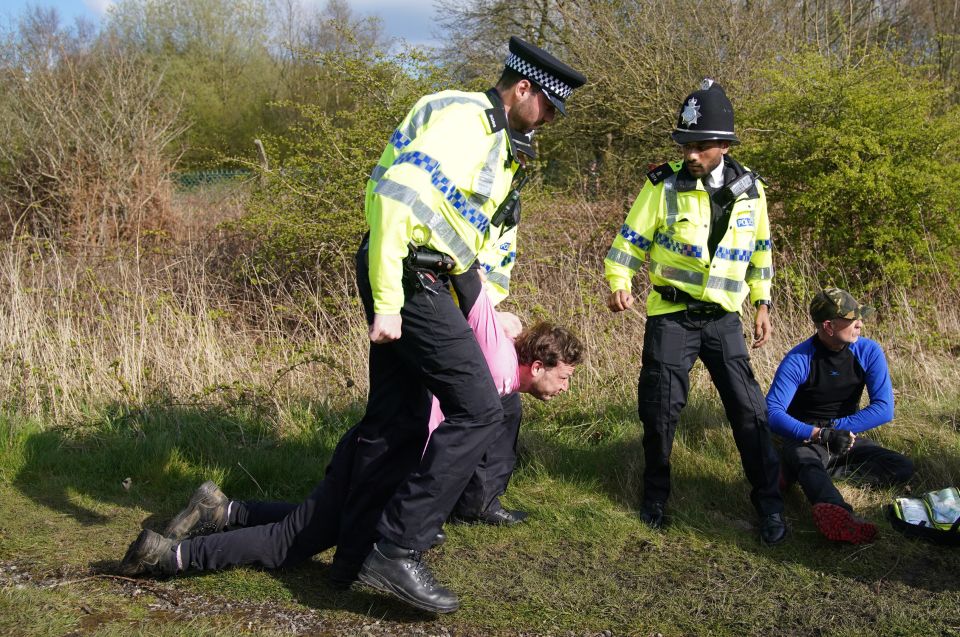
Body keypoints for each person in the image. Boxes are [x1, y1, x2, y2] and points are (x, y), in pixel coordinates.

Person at [118, 280, 584, 594]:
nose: (564, 391)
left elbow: (480, 304)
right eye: (562, 379)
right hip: (384, 449)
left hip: (383, 441)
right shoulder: (500, 372)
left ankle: (221, 510)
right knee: (290, 541)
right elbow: (476, 289)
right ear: (537, 366)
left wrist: (511, 321)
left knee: (320, 524)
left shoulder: (496, 354)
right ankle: (169, 556)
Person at [350, 35, 584, 613]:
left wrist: (485, 307)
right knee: (480, 407)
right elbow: (393, 201)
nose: (551, 120)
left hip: (432, 278)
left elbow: (480, 239)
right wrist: (386, 300)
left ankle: (352, 540)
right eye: (549, 107)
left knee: (395, 418)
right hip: (406, 271)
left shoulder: (502, 142)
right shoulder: (465, 121)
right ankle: (397, 549)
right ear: (522, 89)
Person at [603, 79, 786, 545]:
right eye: (684, 144)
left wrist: (762, 300)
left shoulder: (751, 191)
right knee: (660, 410)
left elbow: (761, 249)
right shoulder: (663, 186)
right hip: (671, 315)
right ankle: (655, 499)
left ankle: (770, 504)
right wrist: (619, 281)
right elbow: (630, 240)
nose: (689, 154)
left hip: (724, 320)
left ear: (722, 146)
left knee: (749, 411)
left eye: (699, 146)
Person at [766, 287, 913, 544]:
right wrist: (820, 434)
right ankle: (840, 514)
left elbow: (884, 409)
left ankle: (800, 473)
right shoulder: (799, 359)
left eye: (859, 317)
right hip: (807, 436)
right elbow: (773, 411)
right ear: (829, 326)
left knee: (901, 467)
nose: (860, 323)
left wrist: (836, 429)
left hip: (845, 434)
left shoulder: (868, 351)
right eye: (852, 319)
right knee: (807, 460)